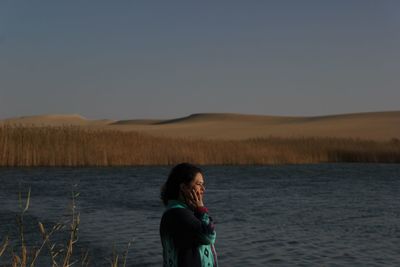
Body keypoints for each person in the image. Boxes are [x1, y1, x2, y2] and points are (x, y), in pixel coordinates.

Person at [160, 163, 218, 267]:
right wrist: (201, 209)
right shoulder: (180, 214)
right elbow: (209, 237)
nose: (203, 189)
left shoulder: (173, 212)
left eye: (203, 184)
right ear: (183, 187)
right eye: (199, 184)